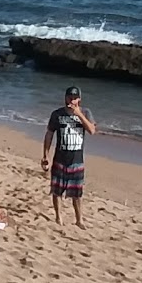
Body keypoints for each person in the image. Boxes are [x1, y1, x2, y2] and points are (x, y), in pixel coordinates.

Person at [41, 86, 96, 227]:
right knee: (56, 190)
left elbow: (92, 130)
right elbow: (49, 134)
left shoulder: (86, 112)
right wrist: (45, 155)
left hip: (77, 159)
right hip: (60, 158)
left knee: (77, 193)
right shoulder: (57, 114)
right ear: (65, 98)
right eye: (69, 97)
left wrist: (79, 114)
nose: (72, 100)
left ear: (79, 99)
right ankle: (58, 217)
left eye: (75, 98)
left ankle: (79, 219)